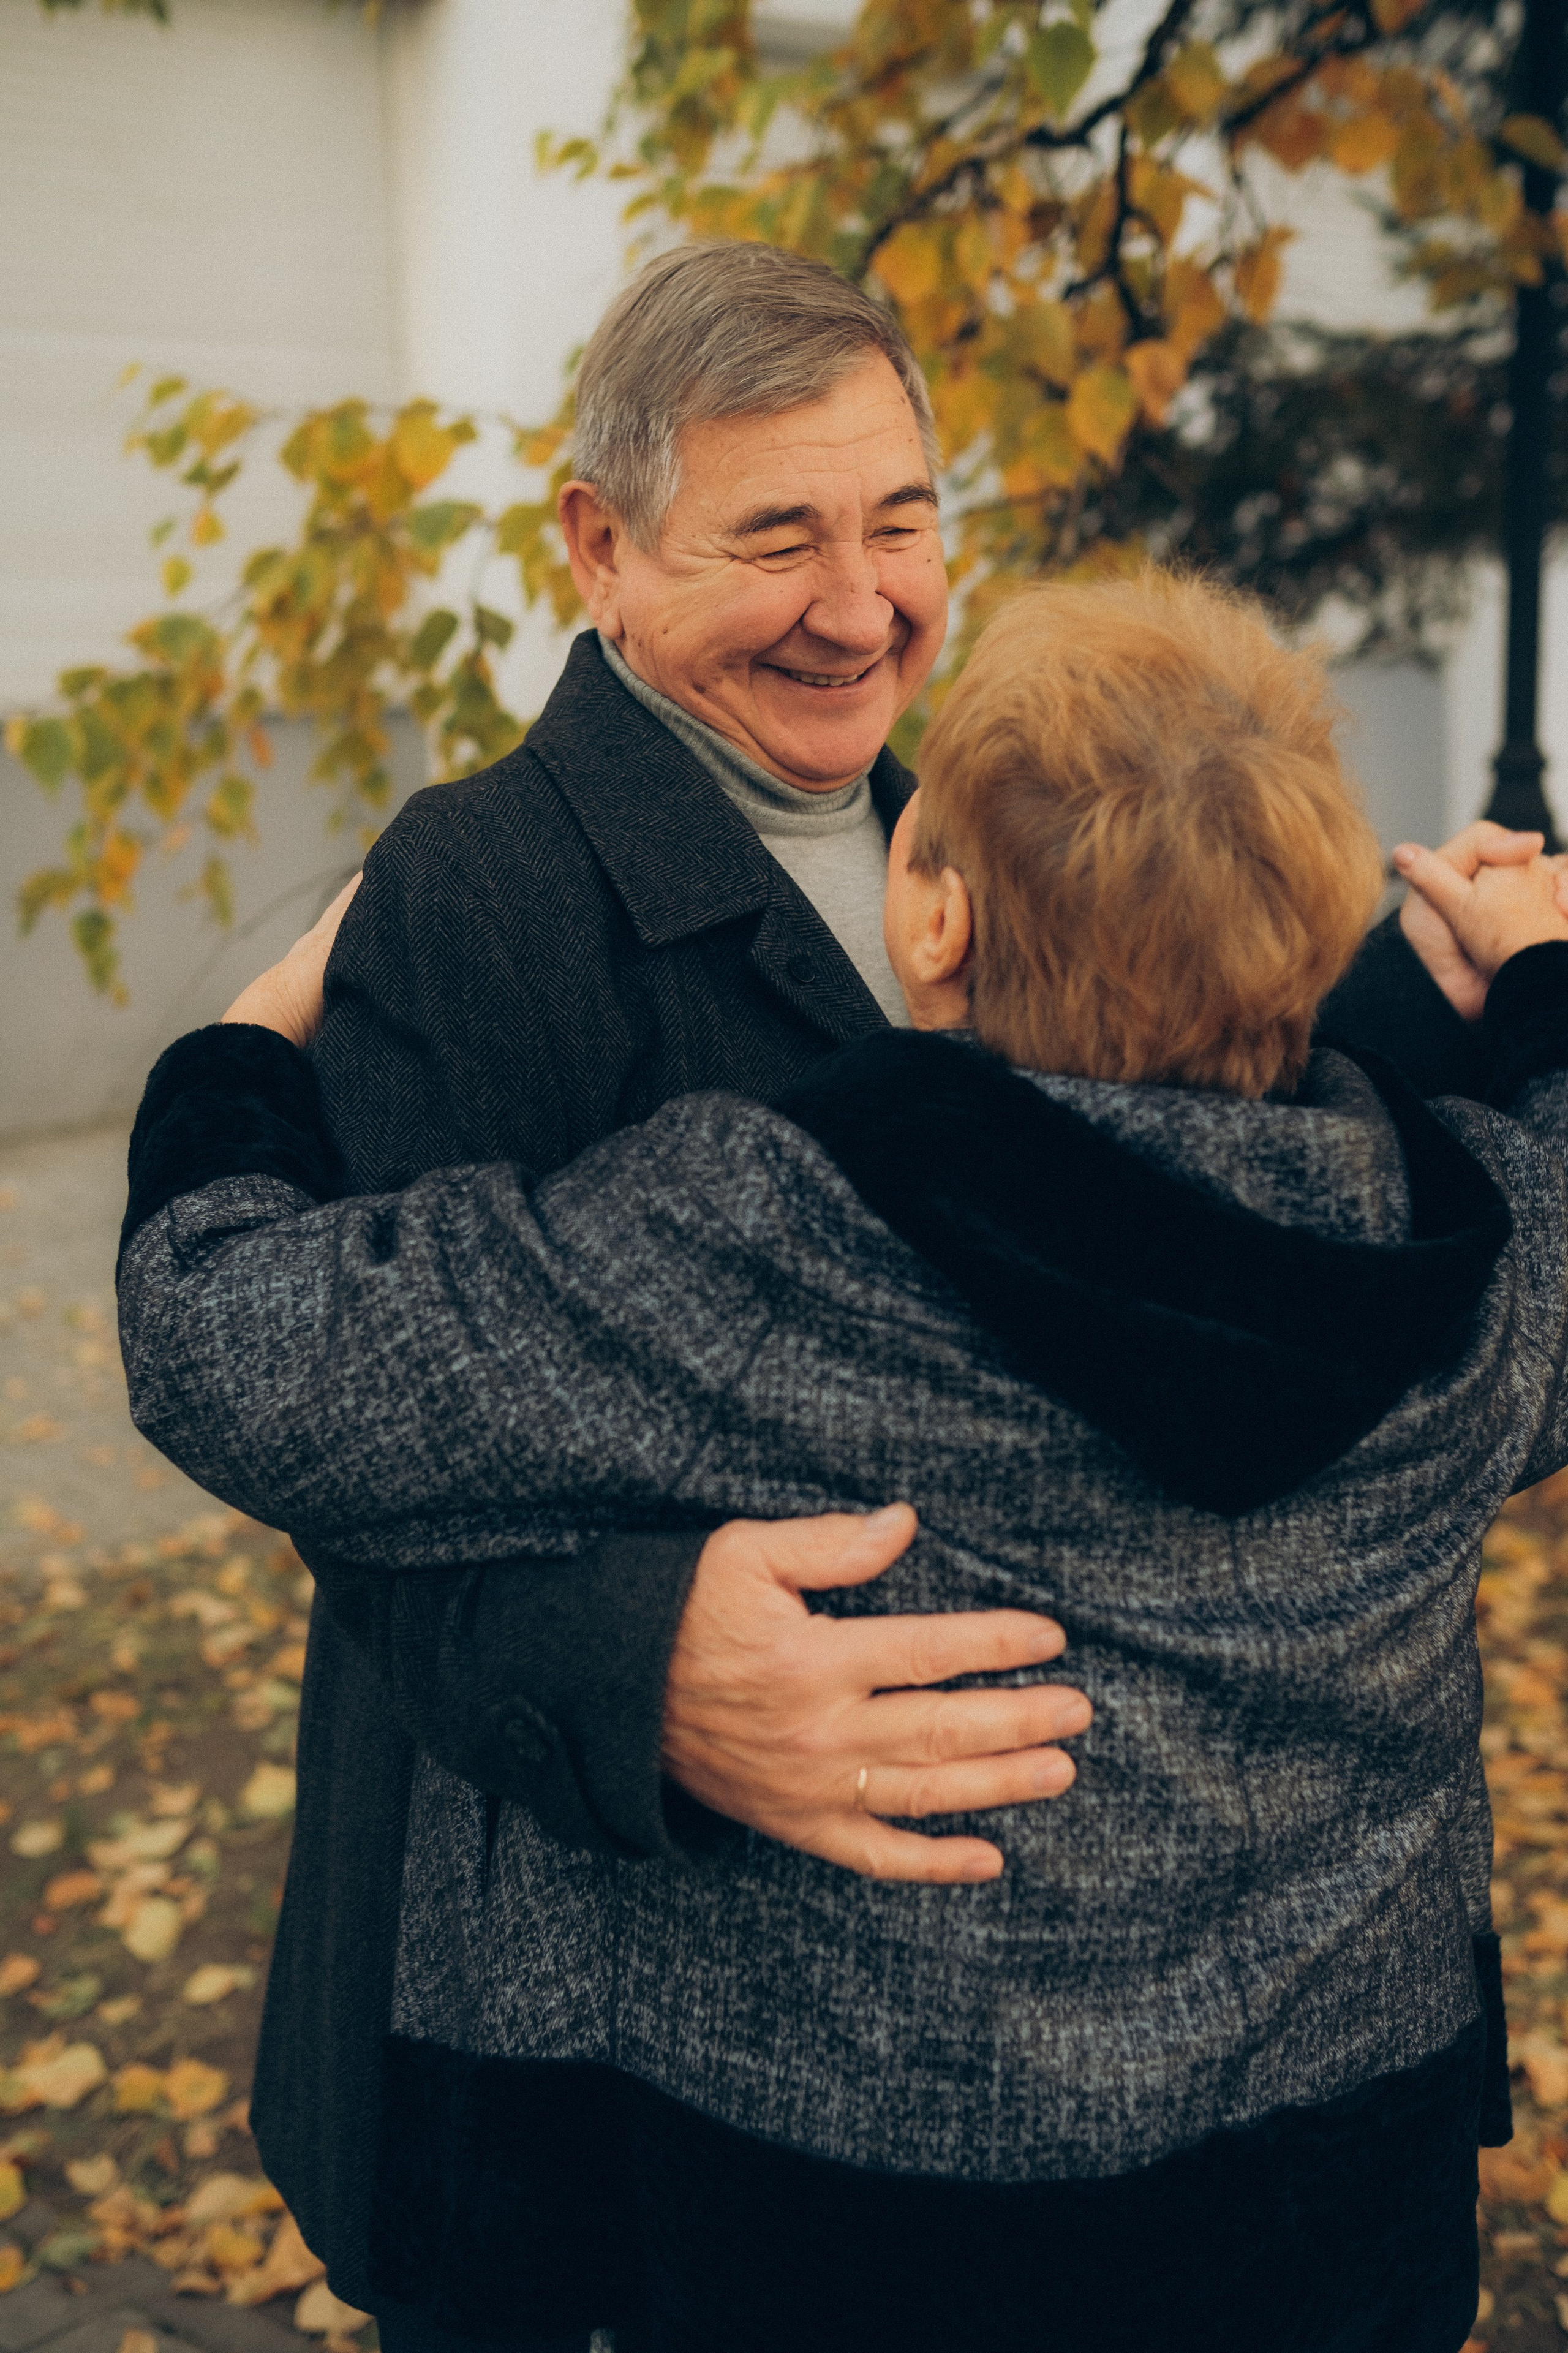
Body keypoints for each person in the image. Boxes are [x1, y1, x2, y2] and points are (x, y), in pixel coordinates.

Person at [119, 571, 1568, 2353]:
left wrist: (240, 1054)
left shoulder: (792, 1235)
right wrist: (1546, 977)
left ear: (933, 915)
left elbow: (233, 1344)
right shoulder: (1473, 1275)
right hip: (1347, 2227)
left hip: (878, 2250)